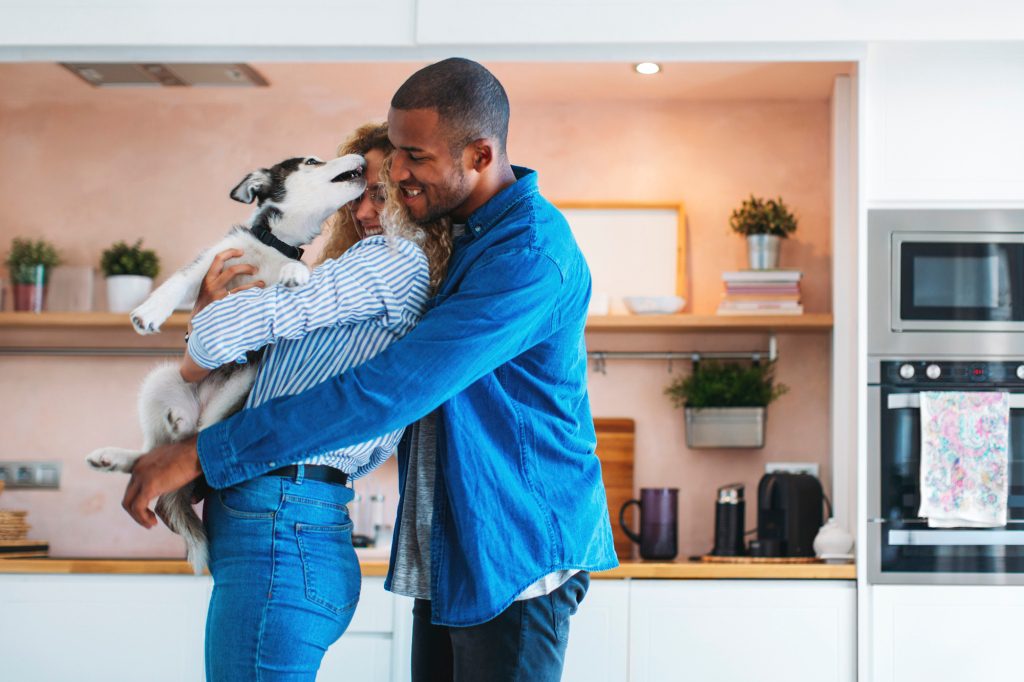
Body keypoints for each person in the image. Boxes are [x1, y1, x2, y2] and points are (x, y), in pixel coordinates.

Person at [123, 58, 618, 681]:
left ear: (481, 155)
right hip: (455, 551)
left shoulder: (527, 257)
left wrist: (204, 452)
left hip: (513, 553)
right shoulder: (453, 238)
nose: (398, 175)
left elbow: (387, 391)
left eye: (415, 157)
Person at [176, 121, 450, 681]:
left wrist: (206, 315)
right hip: (289, 521)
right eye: (357, 193)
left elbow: (211, 343)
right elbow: (224, 361)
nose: (364, 211)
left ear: (411, 192)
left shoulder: (392, 259)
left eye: (382, 194)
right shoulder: (356, 270)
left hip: (282, 520)